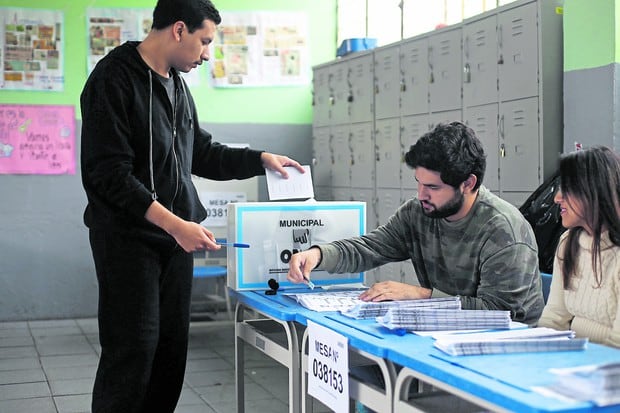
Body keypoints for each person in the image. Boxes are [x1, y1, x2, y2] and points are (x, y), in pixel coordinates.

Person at [80, 1, 304, 412]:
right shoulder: (112, 79)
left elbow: (200, 152)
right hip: (128, 242)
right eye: (204, 41)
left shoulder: (176, 85)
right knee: (133, 353)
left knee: (170, 354)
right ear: (178, 30)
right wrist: (174, 224)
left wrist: (260, 159)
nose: (206, 53)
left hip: (174, 243)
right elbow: (107, 174)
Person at [288, 121, 544, 324]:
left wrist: (421, 296)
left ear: (468, 183)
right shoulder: (418, 212)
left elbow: (499, 312)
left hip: (503, 349)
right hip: (444, 332)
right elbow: (371, 247)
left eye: (433, 187)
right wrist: (318, 255)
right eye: (418, 184)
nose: (421, 195)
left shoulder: (504, 231)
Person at [537, 146, 620, 348]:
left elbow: (616, 346)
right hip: (576, 362)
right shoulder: (568, 243)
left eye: (567, 189)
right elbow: (554, 319)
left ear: (593, 192)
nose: (557, 198)